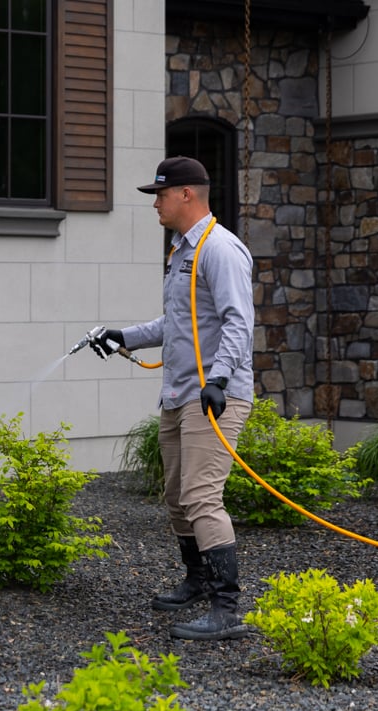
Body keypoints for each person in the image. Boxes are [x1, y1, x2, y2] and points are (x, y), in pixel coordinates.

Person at [89, 155, 255, 641]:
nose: (155, 203)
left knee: (202, 496)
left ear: (187, 194)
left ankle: (227, 609)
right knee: (177, 498)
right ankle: (198, 582)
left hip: (213, 396)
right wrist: (124, 335)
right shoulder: (181, 251)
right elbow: (176, 324)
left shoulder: (220, 249)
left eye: (160, 194)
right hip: (181, 393)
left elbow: (238, 322)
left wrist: (220, 380)